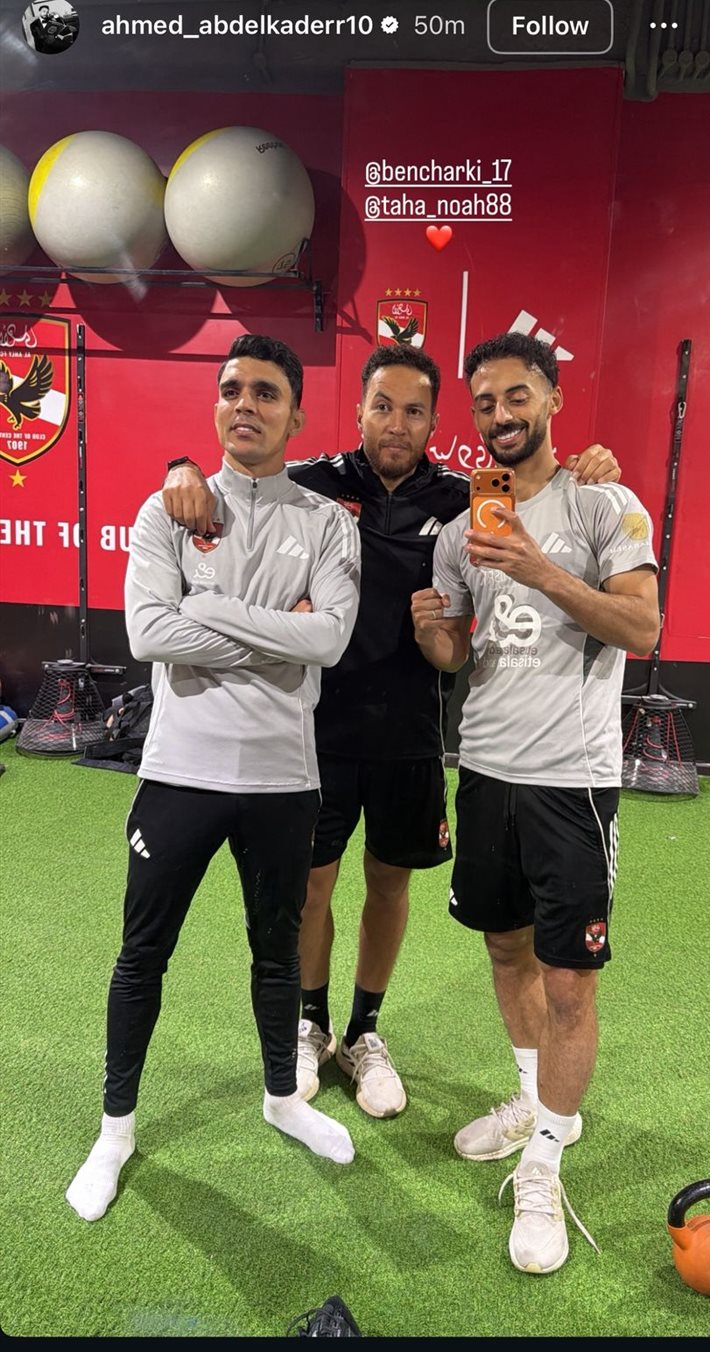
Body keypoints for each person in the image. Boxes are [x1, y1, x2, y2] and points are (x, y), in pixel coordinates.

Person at [162, 343, 620, 1121]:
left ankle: (364, 1031)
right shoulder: (312, 482)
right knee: (312, 885)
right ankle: (311, 1023)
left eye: (413, 411)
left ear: (436, 422)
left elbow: (546, 493)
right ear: (359, 410)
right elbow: (235, 478)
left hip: (412, 734)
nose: (396, 424)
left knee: (389, 883)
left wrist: (592, 467)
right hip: (315, 730)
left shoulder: (473, 498)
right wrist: (181, 467)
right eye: (383, 406)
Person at [66, 335, 361, 1223]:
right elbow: (149, 634)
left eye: (265, 392)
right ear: (216, 405)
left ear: (296, 414)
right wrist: (277, 633)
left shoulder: (327, 522)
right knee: (141, 956)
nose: (245, 404)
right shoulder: (169, 510)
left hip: (284, 780)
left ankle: (281, 1099)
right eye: (232, 389)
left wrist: (213, 610)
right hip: (179, 774)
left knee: (277, 956)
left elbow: (330, 640)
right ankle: (115, 1130)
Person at [411, 331, 659, 1274]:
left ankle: (547, 1165)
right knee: (505, 949)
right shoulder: (460, 529)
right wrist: (434, 634)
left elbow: (642, 626)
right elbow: (460, 655)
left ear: (551, 398)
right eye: (485, 402)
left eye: (517, 396)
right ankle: (535, 1103)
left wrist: (538, 568)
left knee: (568, 982)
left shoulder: (605, 503)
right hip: (485, 773)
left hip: (572, 782)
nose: (501, 415)